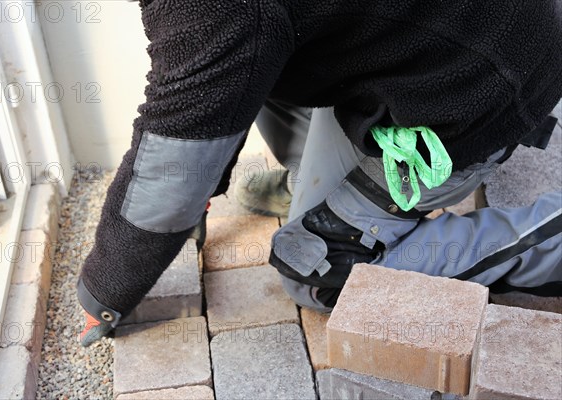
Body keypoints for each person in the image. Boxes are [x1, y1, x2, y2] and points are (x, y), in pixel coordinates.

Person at [77, 0, 562, 345]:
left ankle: (549, 243)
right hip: (453, 37)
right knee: (261, 50)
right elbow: (212, 84)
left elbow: (174, 160)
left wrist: (105, 291)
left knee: (319, 269)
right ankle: (325, 186)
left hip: (476, 89)